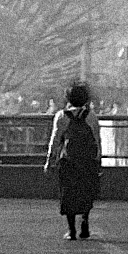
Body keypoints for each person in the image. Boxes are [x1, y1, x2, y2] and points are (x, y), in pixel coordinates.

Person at [45, 80, 101, 240]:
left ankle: (71, 230)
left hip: (68, 161)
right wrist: (98, 160)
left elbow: (55, 140)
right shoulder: (90, 116)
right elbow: (97, 140)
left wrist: (50, 161)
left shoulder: (62, 116)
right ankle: (85, 221)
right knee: (86, 191)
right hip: (87, 161)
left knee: (68, 193)